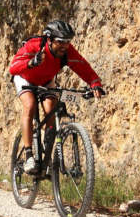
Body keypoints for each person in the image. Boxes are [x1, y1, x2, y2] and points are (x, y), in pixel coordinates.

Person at [8, 20, 105, 174]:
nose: (64, 46)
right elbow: (13, 68)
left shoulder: (67, 52)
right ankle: (28, 155)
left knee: (51, 109)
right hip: (24, 78)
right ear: (49, 39)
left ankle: (46, 151)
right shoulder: (34, 45)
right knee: (30, 105)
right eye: (60, 42)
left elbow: (82, 66)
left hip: (46, 81)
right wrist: (31, 63)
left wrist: (95, 83)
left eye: (67, 42)